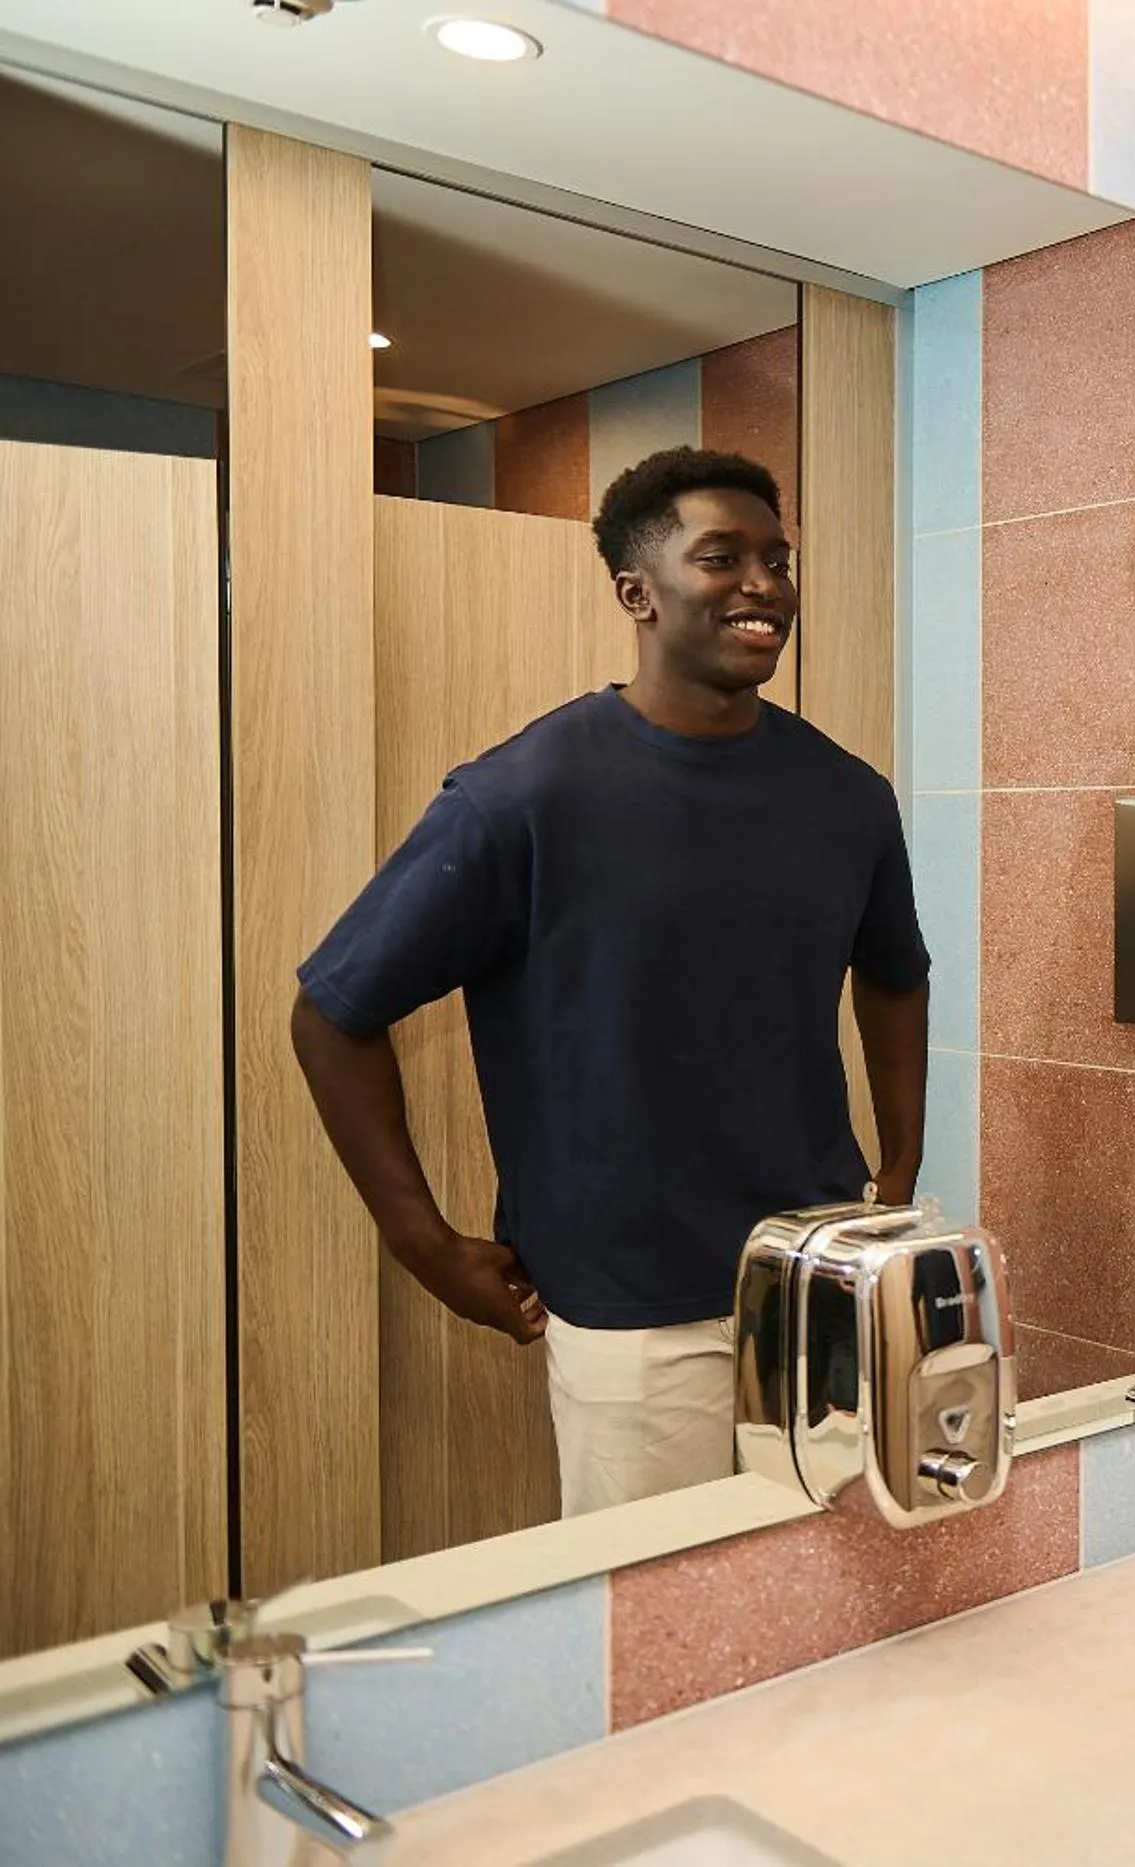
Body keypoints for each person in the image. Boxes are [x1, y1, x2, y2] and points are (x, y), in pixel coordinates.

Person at [294, 447, 930, 1518]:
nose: (764, 583)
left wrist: (900, 1160)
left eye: (777, 558)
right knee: (658, 1629)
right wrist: (424, 1242)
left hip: (816, 1280)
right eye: (721, 557)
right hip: (634, 1309)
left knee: (824, 1600)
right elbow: (334, 1013)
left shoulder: (848, 797)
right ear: (638, 592)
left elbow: (895, 975)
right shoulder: (524, 797)